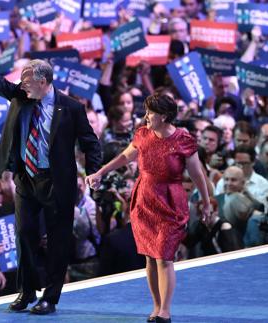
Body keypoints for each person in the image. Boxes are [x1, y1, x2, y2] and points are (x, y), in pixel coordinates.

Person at [0, 40, 102, 315]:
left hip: (57, 184)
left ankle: (50, 298)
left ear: (43, 82)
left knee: (57, 241)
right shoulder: (20, 95)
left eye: (27, 81)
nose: (21, 84)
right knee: (24, 237)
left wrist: (93, 172)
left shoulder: (72, 108)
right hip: (26, 180)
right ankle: (26, 292)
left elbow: (90, 143)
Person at [86, 93, 211, 323]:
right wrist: (101, 172)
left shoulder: (183, 139)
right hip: (143, 201)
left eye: (150, 112)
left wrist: (206, 202)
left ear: (164, 116)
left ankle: (165, 310)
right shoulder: (142, 134)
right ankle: (155, 308)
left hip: (170, 203)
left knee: (164, 256)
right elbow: (125, 156)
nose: (146, 116)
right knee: (150, 258)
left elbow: (197, 174)